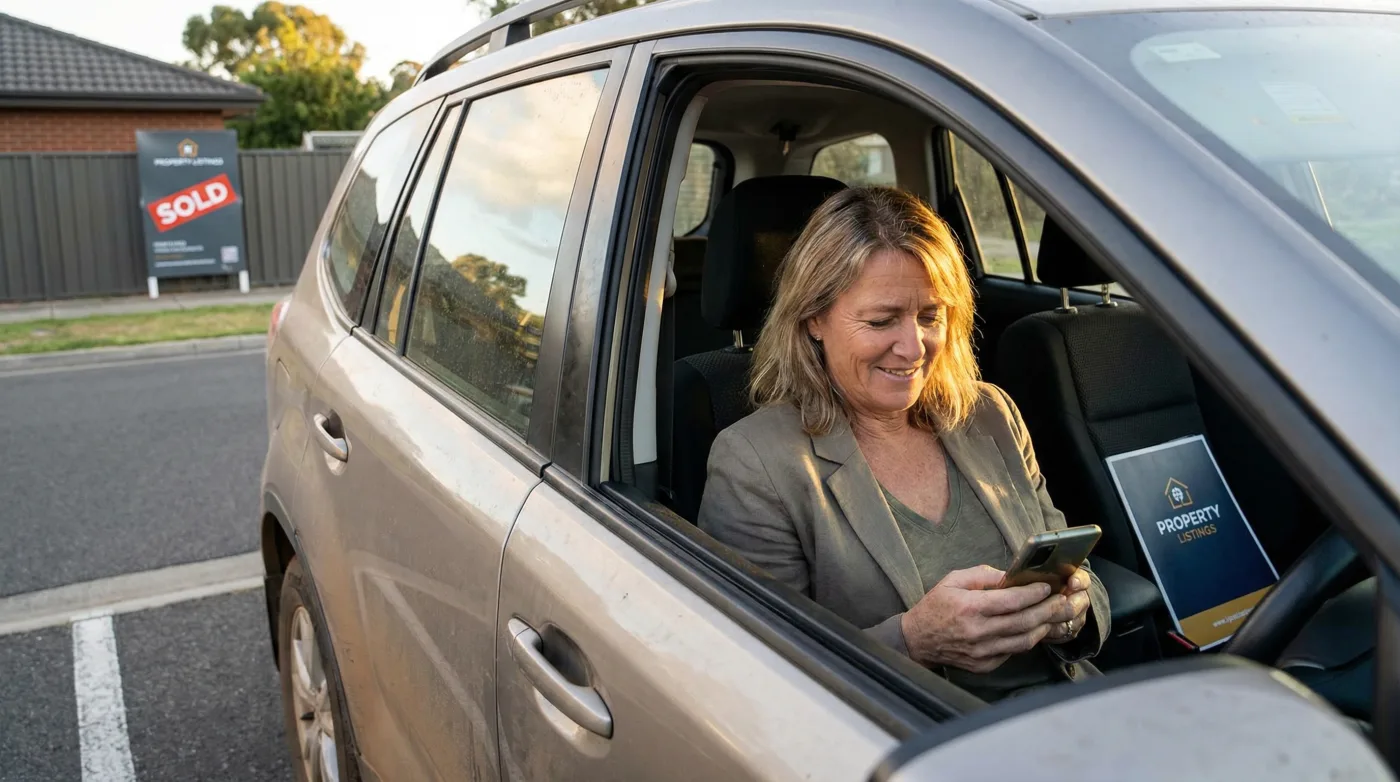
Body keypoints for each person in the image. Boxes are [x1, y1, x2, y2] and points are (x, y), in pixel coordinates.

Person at [697, 186, 1109, 700]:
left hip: (1071, 709)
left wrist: (1072, 612)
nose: (914, 347)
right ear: (814, 320)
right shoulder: (757, 463)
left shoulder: (989, 413)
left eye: (930, 316)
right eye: (881, 320)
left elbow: (1078, 572)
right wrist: (913, 641)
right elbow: (766, 674)